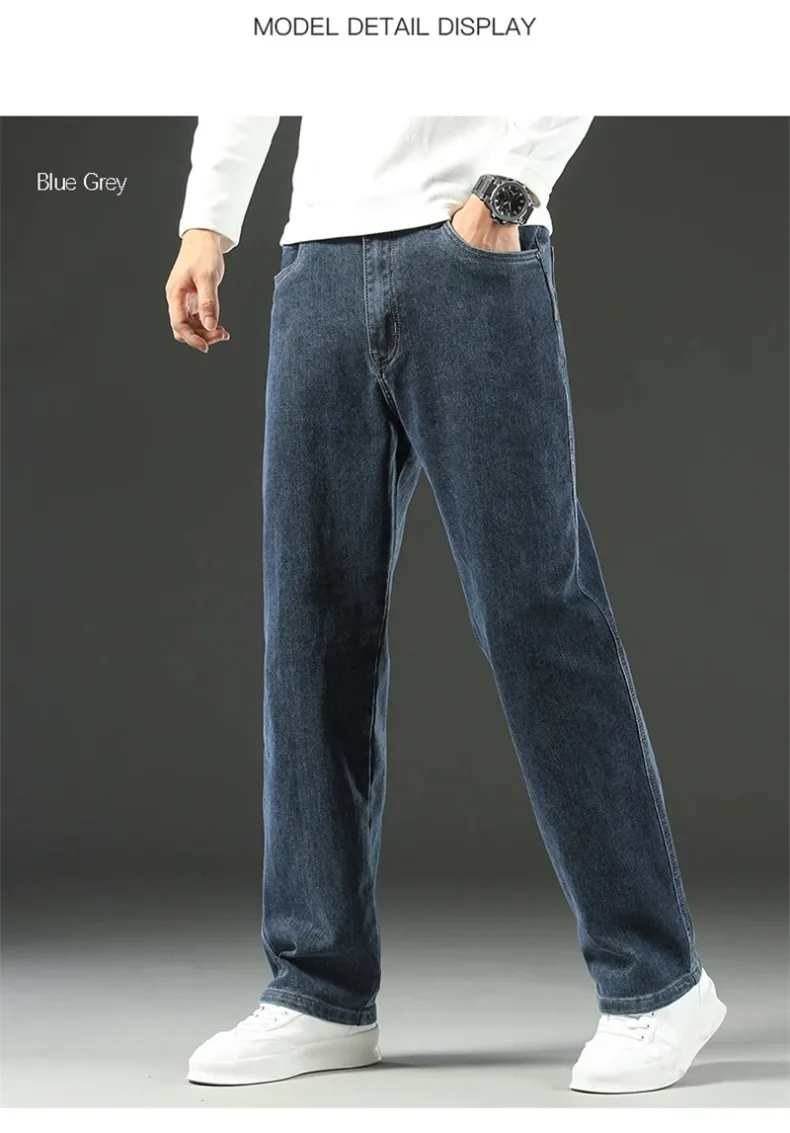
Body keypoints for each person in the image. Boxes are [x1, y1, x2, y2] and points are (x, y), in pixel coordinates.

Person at [165, 116, 726, 1094]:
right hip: (317, 258)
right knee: (310, 630)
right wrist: (207, 220)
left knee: (534, 611)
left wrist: (505, 191)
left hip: (468, 249)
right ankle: (318, 987)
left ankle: (656, 982)